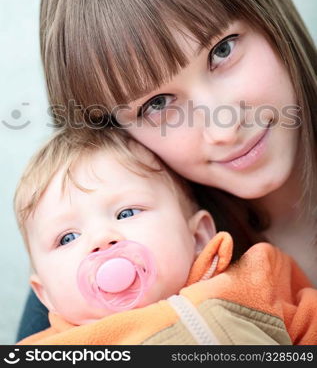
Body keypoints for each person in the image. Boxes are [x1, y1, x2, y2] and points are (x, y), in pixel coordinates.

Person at [17, 0, 317, 339]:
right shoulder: (86, 283)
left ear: (268, 15)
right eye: (156, 105)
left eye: (222, 51)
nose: (223, 127)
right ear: (111, 134)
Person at [15, 129, 317, 345]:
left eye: (127, 212)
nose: (101, 239)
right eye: (67, 238)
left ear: (198, 237)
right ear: (45, 295)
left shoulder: (258, 279)